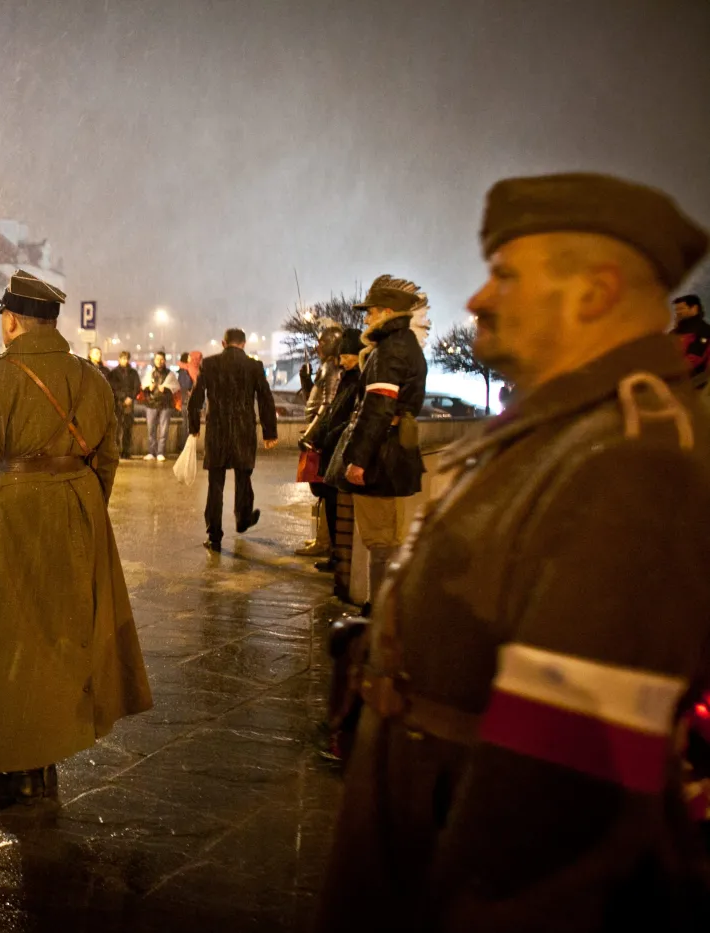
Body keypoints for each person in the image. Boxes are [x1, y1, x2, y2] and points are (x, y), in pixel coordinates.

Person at [316, 172, 710, 933]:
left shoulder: (632, 460)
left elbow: (559, 804)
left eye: (506, 275)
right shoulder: (569, 427)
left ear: (594, 292)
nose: (478, 298)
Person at [0, 270, 153, 807]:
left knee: (12, 643)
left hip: (11, 523)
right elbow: (107, 458)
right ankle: (47, 759)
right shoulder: (93, 379)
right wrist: (83, 513)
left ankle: (24, 768)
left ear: (11, 322)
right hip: (78, 513)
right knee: (61, 641)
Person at [325, 275, 428, 614]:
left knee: (380, 540)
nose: (366, 318)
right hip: (394, 452)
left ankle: (377, 611)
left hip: (381, 457)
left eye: (370, 312)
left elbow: (377, 410)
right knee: (390, 536)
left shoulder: (390, 350)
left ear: (386, 312)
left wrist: (358, 460)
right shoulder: (406, 345)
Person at [187, 329, 279, 552]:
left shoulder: (210, 364)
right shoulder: (254, 366)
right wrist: (269, 433)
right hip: (243, 431)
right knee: (243, 477)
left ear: (223, 343)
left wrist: (194, 427)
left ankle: (214, 536)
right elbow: (266, 398)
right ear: (244, 344)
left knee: (215, 484)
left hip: (217, 431)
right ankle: (243, 518)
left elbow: (196, 398)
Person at [301, 327, 363, 575]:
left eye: (346, 356)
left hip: (334, 443)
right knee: (324, 493)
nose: (319, 346)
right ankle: (331, 549)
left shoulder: (349, 377)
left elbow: (329, 407)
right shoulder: (344, 375)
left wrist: (315, 435)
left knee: (330, 495)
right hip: (327, 440)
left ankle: (334, 552)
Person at [296, 321, 345, 558]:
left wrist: (310, 434)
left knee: (324, 488)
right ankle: (323, 538)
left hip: (323, 437)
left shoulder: (332, 368)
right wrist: (306, 381)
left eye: (322, 343)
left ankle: (325, 542)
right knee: (321, 489)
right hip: (320, 434)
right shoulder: (327, 367)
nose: (318, 347)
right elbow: (314, 401)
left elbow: (326, 406)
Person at [141, 350, 179, 461]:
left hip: (165, 405)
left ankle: (161, 452)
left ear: (165, 360)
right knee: (151, 429)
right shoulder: (150, 373)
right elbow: (143, 387)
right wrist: (149, 388)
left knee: (164, 430)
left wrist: (166, 389)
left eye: (161, 359)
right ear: (154, 360)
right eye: (157, 359)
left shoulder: (170, 374)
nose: (159, 361)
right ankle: (151, 452)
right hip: (151, 404)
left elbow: (175, 387)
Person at [107, 350, 141, 459]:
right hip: (117, 404)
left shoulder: (133, 373)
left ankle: (126, 451)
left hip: (129, 404)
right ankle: (116, 451)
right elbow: (112, 387)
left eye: (126, 358)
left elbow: (137, 386)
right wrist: (122, 397)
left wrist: (131, 397)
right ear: (119, 359)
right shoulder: (113, 373)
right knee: (116, 429)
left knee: (127, 428)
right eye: (123, 358)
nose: (125, 360)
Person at [673, 293, 709, 388]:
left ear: (694, 308)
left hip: (696, 384)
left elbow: (694, 359)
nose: (678, 312)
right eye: (676, 309)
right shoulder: (676, 331)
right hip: (677, 382)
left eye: (681, 309)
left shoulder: (703, 330)